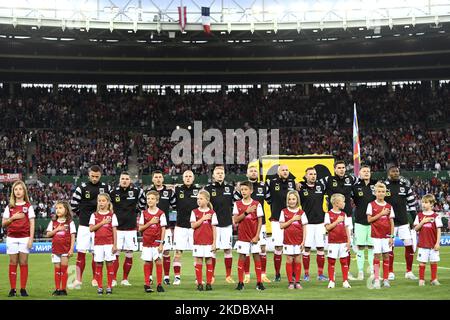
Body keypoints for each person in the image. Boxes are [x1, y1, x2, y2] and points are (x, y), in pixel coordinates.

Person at [71, 165, 111, 289]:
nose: (94, 178)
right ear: (88, 175)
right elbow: (73, 205)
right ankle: (78, 279)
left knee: (96, 253)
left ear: (100, 175)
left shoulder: (106, 187)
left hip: (100, 227)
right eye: (92, 176)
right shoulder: (81, 188)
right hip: (84, 225)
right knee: (81, 252)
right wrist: (83, 215)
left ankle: (95, 278)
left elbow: (111, 204)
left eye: (97, 176)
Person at [320, 160, 358, 280]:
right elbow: (315, 184)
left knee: (348, 245)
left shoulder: (350, 179)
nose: (342, 169)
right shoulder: (328, 180)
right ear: (334, 169)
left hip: (347, 216)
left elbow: (361, 181)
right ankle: (333, 272)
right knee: (333, 246)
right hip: (333, 217)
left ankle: (347, 272)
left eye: (343, 167)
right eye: (339, 168)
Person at [234, 165, 271, 283]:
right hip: (245, 225)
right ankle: (247, 275)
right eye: (251, 171)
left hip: (260, 223)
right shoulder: (241, 189)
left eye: (255, 171)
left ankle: (263, 274)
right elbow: (235, 208)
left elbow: (270, 200)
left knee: (262, 249)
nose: (254, 173)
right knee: (246, 252)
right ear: (247, 173)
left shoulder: (263, 186)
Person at [109, 171, 146, 286]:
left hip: (131, 228)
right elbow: (108, 206)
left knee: (129, 254)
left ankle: (125, 279)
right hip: (117, 229)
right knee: (115, 254)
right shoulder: (113, 192)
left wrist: (137, 210)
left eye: (126, 179)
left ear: (130, 180)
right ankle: (114, 279)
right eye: (122, 178)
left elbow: (143, 203)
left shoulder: (137, 191)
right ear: (119, 180)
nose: (124, 180)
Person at [2, 180, 35, 297]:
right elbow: (3, 224)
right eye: (16, 189)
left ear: (24, 191)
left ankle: (23, 289)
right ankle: (12, 289)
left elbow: (32, 223)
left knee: (23, 262)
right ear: (13, 192)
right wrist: (12, 218)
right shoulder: (9, 206)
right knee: (13, 262)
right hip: (11, 238)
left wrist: (31, 239)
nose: (18, 191)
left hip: (25, 238)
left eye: (20, 189)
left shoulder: (28, 206)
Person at [384, 165, 417, 280]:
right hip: (389, 222)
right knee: (389, 247)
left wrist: (415, 220)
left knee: (409, 246)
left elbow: (412, 206)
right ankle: (390, 272)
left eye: (397, 171)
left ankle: (409, 271)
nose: (396, 173)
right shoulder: (383, 187)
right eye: (393, 171)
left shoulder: (405, 187)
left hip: (403, 222)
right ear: (389, 173)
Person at [169, 170, 202, 285]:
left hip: (195, 227)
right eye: (186, 176)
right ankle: (177, 277)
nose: (188, 178)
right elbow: (172, 204)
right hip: (180, 226)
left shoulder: (198, 190)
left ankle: (198, 278)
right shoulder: (177, 190)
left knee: (197, 253)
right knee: (178, 253)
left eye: (190, 176)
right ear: (183, 178)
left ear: (193, 178)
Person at [265, 164, 296, 282]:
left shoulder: (292, 183)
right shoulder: (272, 182)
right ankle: (277, 274)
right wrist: (272, 204)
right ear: (278, 172)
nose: (285, 171)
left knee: (292, 246)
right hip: (277, 218)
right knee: (278, 246)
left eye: (287, 170)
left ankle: (293, 273)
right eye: (283, 170)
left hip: (291, 219)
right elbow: (267, 197)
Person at [204, 166, 235, 284]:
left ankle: (228, 276)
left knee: (227, 249)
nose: (220, 175)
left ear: (224, 175)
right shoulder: (208, 189)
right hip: (213, 225)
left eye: (222, 173)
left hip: (227, 223)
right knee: (213, 250)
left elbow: (235, 204)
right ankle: (211, 276)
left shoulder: (230, 188)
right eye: (217, 173)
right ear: (213, 175)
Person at [233, 181, 265, 291]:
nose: (243, 191)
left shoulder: (257, 204)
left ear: (251, 191)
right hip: (242, 236)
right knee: (242, 257)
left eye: (245, 189)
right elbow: (236, 220)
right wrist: (246, 212)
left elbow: (260, 221)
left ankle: (259, 282)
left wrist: (257, 235)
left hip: (254, 237)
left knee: (257, 257)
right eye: (242, 190)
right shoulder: (237, 204)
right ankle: (240, 282)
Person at [298, 167, 328, 281]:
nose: (313, 176)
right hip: (307, 223)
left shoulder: (321, 187)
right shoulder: (301, 188)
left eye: (314, 174)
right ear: (306, 176)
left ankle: (320, 274)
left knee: (321, 248)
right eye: (310, 174)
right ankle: (306, 275)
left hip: (320, 222)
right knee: (306, 249)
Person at [147, 170, 174, 285]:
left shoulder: (169, 192)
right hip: (151, 228)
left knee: (166, 252)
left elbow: (175, 205)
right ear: (152, 179)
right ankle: (150, 277)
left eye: (160, 177)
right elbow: (143, 208)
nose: (158, 179)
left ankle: (166, 276)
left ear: (163, 179)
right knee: (152, 253)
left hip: (166, 228)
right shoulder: (147, 192)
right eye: (156, 177)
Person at [367, 182, 395, 289]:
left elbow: (391, 222)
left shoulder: (389, 206)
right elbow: (369, 220)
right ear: (375, 193)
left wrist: (392, 237)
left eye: (383, 192)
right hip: (376, 236)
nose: (381, 193)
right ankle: (377, 279)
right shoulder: (371, 205)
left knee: (386, 256)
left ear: (385, 193)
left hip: (387, 236)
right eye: (378, 191)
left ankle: (386, 279)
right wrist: (381, 214)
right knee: (377, 256)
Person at [89, 193, 118, 295]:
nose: (101, 203)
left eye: (103, 201)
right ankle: (100, 287)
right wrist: (102, 222)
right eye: (99, 201)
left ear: (108, 202)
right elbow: (91, 229)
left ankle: (109, 287)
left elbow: (114, 231)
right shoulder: (94, 215)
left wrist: (115, 245)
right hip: (98, 244)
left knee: (110, 264)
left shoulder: (112, 215)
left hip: (109, 244)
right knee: (99, 264)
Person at [46, 201, 76, 296]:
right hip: (55, 250)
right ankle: (57, 289)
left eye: (60, 208)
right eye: (56, 208)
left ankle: (63, 289)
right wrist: (57, 229)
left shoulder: (70, 222)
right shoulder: (53, 222)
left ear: (66, 210)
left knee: (64, 270)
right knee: (57, 270)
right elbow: (48, 234)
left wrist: (71, 249)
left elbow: (72, 236)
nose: (57, 210)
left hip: (65, 250)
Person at [352, 165, 377, 280]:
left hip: (374, 221)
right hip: (360, 221)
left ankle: (373, 271)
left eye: (368, 171)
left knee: (373, 247)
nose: (366, 173)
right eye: (364, 171)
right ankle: (360, 271)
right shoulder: (355, 187)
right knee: (360, 246)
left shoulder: (376, 185)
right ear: (360, 173)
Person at [139, 190, 166, 293]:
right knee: (147, 262)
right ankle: (147, 284)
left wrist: (161, 243)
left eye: (152, 198)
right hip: (147, 242)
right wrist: (150, 222)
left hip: (157, 242)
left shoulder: (161, 213)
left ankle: (159, 284)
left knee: (158, 261)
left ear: (157, 200)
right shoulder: (144, 213)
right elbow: (140, 228)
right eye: (148, 199)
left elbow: (163, 229)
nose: (150, 200)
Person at [279, 190, 308, 289]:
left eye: (293, 199)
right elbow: (281, 226)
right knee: (289, 259)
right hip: (288, 241)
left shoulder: (301, 212)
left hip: (299, 241)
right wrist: (292, 220)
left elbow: (304, 227)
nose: (291, 201)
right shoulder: (284, 212)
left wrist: (303, 241)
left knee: (298, 259)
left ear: (297, 200)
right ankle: (290, 282)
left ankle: (297, 282)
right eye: (290, 199)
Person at [190, 190, 218, 291]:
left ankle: (209, 283)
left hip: (209, 242)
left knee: (209, 261)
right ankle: (200, 283)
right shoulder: (194, 212)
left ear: (207, 200)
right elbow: (193, 225)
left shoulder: (212, 213)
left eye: (201, 198)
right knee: (199, 261)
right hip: (198, 241)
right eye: (198, 198)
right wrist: (203, 218)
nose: (198, 200)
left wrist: (214, 243)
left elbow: (214, 228)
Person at [324, 193, 352, 289]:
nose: (344, 203)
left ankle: (345, 281)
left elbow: (347, 228)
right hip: (333, 242)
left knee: (344, 261)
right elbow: (328, 228)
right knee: (331, 261)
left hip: (343, 242)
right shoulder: (328, 214)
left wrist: (349, 241)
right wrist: (337, 221)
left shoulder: (344, 214)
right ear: (336, 203)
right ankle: (331, 281)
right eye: (342, 201)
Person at [414, 194, 442, 286]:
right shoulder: (419, 215)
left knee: (433, 262)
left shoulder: (436, 216)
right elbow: (416, 228)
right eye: (422, 202)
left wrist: (437, 243)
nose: (423, 204)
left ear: (431, 204)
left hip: (433, 244)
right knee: (422, 262)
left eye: (426, 202)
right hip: (423, 244)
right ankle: (421, 280)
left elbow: (438, 230)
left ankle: (434, 279)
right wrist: (423, 222)